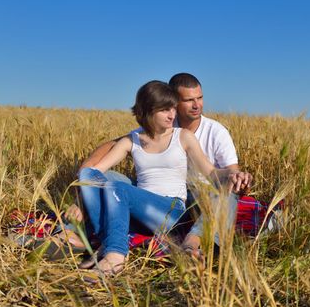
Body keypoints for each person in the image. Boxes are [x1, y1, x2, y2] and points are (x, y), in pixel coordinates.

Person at [77, 80, 251, 275]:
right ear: (147, 111)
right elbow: (96, 172)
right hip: (141, 209)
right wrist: (80, 195)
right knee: (88, 175)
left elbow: (211, 172)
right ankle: (107, 239)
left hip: (171, 210)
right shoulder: (131, 140)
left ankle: (116, 254)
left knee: (118, 189)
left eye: (173, 109)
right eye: (165, 110)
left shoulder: (183, 136)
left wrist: (234, 174)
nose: (172, 115)